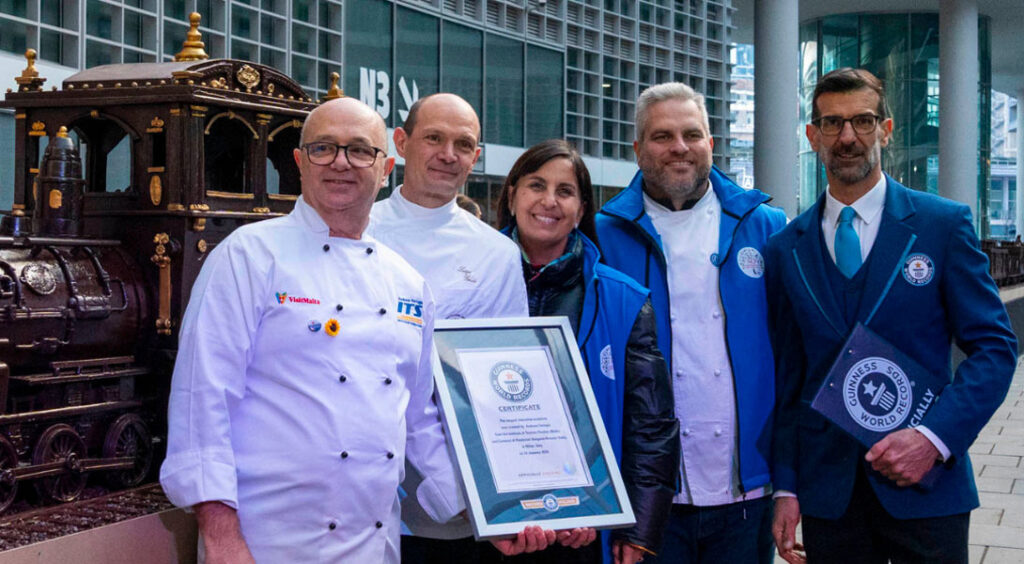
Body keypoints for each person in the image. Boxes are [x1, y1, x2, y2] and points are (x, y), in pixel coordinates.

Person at [159, 97, 553, 563]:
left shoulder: (407, 282)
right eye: (324, 148)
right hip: (266, 539)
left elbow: (420, 419)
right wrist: (221, 537)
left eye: (360, 151)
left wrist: (488, 515)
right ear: (299, 162)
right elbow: (202, 398)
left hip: (372, 542)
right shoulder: (248, 255)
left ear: (386, 167)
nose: (341, 163)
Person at [766, 67, 1018, 563]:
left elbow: (995, 348)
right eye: (832, 124)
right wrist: (786, 486)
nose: (847, 137)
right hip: (828, 495)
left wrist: (933, 438)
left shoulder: (941, 226)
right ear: (812, 135)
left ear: (886, 128)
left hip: (926, 487)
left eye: (862, 121)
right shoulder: (785, 248)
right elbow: (789, 377)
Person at [594, 83, 787, 563]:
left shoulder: (767, 226)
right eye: (661, 136)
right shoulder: (601, 234)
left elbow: (795, 351)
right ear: (637, 150)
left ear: (710, 145)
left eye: (691, 134)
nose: (679, 147)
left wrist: (791, 480)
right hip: (648, 498)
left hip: (747, 489)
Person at [368, 93, 542, 562]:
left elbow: (505, 379)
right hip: (360, 473)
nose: (448, 154)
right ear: (401, 144)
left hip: (463, 479)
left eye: (463, 144)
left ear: (476, 157)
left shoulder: (498, 253)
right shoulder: (360, 231)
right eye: (433, 139)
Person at [495, 139, 680, 564]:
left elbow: (651, 425)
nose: (549, 201)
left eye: (565, 191)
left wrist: (638, 528)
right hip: (490, 524)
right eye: (536, 186)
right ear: (512, 195)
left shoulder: (624, 299)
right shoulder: (467, 281)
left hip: (582, 527)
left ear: (581, 209)